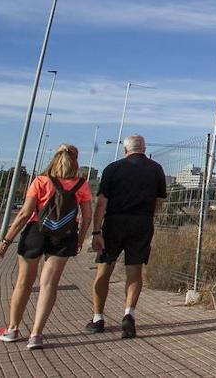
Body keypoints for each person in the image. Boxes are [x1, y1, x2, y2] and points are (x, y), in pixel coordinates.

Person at [0, 144, 93, 350]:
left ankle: (13, 329)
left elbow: (24, 214)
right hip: (64, 236)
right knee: (49, 285)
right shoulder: (81, 184)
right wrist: (79, 240)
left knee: (24, 283)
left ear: (54, 158)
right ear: (76, 161)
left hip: (35, 232)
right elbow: (87, 216)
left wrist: (5, 241)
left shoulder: (40, 181)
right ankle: (36, 334)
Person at [86, 134, 167, 339]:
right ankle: (129, 315)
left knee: (104, 269)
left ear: (125, 150)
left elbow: (102, 201)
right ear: (144, 148)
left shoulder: (113, 169)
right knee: (134, 271)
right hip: (141, 223)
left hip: (114, 223)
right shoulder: (156, 169)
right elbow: (159, 200)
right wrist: (148, 217)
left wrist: (96, 231)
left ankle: (98, 318)